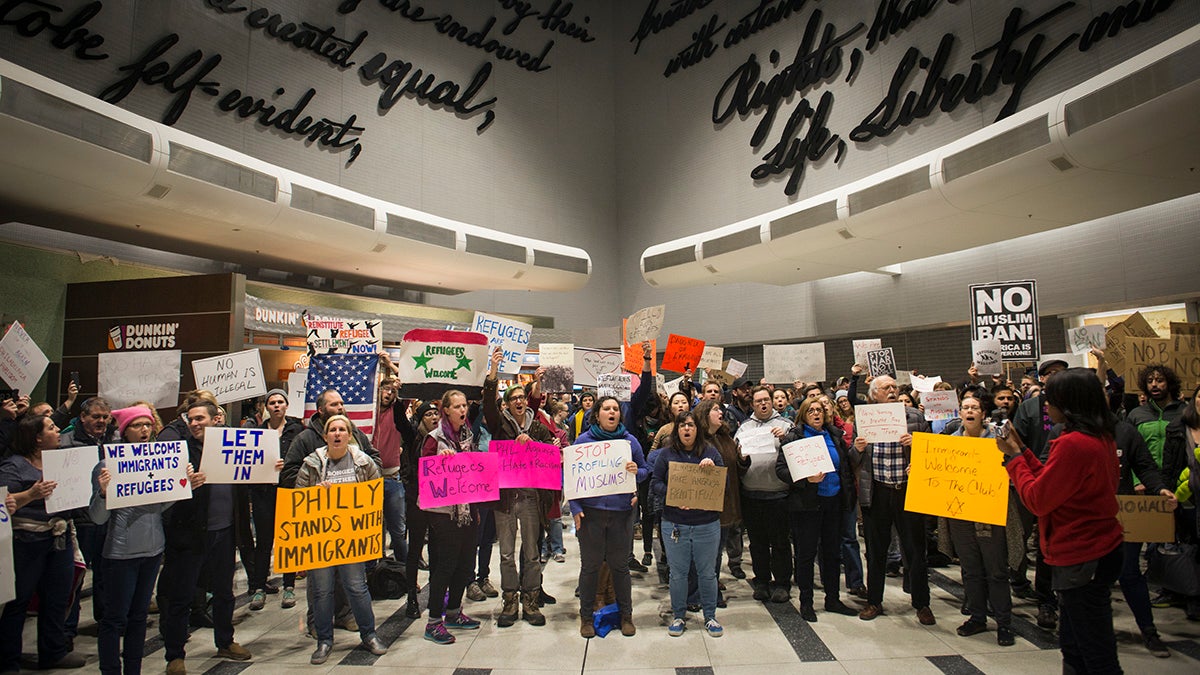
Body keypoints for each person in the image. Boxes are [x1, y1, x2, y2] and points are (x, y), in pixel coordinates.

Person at [998, 368, 1126, 674]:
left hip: (1082, 554)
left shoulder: (1074, 444)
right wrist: (1024, 452)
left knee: (1094, 650)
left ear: (1068, 403)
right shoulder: (1096, 436)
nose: (1045, 405)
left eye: (1050, 399)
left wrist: (1014, 459)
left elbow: (1038, 500)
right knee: (1074, 641)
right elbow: (1054, 481)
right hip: (1093, 549)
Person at [90, 406, 199, 675]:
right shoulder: (106, 465)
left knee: (139, 617)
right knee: (115, 619)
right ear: (125, 430)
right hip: (120, 553)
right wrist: (103, 494)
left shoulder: (158, 460)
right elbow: (97, 518)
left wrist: (184, 486)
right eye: (137, 425)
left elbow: (160, 506)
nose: (144, 430)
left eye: (148, 425)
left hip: (152, 551)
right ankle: (111, 670)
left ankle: (134, 669)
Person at [160, 400, 252, 675]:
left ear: (216, 420)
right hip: (190, 535)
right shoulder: (181, 451)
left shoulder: (232, 445)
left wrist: (268, 465)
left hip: (224, 532)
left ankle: (225, 641)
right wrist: (185, 484)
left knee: (225, 591)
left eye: (200, 418)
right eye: (191, 419)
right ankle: (175, 654)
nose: (195, 423)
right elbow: (165, 492)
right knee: (182, 595)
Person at [295, 414, 388, 664]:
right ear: (325, 436)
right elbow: (298, 497)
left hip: (351, 538)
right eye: (332, 430)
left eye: (342, 430)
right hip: (321, 539)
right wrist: (314, 493)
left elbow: (376, 492)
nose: (337, 434)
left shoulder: (362, 461)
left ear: (349, 435)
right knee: (322, 591)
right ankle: (324, 640)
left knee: (356, 587)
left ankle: (369, 634)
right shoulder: (312, 463)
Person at [0, 414, 87, 671]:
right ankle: (8, 660)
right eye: (51, 428)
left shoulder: (63, 461)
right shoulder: (13, 466)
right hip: (26, 542)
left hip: (58, 540)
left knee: (57, 599)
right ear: (37, 437)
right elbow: (4, 503)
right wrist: (30, 494)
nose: (58, 430)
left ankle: (53, 652)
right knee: (18, 603)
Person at [481, 349, 559, 627]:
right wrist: (494, 368)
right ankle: (510, 599)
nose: (519, 401)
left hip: (529, 497)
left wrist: (549, 447)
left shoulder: (538, 428)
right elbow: (488, 405)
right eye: (513, 398)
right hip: (504, 497)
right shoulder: (499, 424)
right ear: (506, 404)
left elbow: (551, 454)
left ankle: (531, 599)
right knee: (505, 553)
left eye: (522, 398)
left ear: (527, 402)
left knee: (531, 552)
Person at [848, 374, 935, 624]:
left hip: (906, 492)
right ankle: (874, 601)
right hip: (877, 492)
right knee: (876, 552)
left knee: (916, 551)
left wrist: (916, 446)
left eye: (895, 387)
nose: (892, 390)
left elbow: (929, 456)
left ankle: (922, 604)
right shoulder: (865, 420)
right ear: (874, 394)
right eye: (886, 387)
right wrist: (858, 448)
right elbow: (853, 459)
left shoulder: (915, 418)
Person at [572, 395, 648, 638]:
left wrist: (638, 473)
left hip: (621, 514)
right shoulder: (583, 441)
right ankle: (586, 618)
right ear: (598, 414)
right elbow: (572, 477)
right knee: (590, 567)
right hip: (591, 515)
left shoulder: (629, 441)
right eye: (607, 408)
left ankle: (626, 615)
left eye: (615, 408)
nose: (612, 412)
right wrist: (575, 508)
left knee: (620, 568)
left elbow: (646, 469)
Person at [775, 397, 858, 621]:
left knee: (832, 554)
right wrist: (805, 479)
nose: (816, 414)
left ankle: (833, 599)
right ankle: (806, 602)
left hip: (833, 502)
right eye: (811, 410)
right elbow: (781, 470)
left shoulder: (834, 436)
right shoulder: (795, 437)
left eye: (819, 410)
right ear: (803, 414)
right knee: (806, 554)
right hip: (807, 504)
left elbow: (845, 466)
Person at [945, 395, 1015, 646]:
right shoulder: (951, 442)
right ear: (960, 413)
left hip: (989, 513)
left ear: (983, 413)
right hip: (961, 513)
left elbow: (1016, 462)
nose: (970, 411)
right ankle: (977, 616)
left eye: (974, 407)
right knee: (970, 568)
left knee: (996, 569)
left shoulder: (998, 440)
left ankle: (1004, 622)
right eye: (965, 408)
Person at [651, 410, 725, 638]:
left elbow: (724, 483)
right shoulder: (665, 455)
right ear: (677, 430)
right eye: (682, 425)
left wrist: (712, 470)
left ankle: (710, 616)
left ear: (697, 429)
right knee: (678, 574)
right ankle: (679, 615)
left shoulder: (711, 452)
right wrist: (674, 494)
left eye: (691, 425)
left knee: (707, 573)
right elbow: (655, 483)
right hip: (675, 523)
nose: (686, 429)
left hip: (706, 524)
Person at [420, 389, 485, 645]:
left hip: (467, 509)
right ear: (445, 410)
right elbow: (423, 469)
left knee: (466, 564)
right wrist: (439, 460)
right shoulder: (434, 438)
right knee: (445, 566)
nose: (462, 410)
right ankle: (434, 622)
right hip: (443, 513)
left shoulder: (468, 435)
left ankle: (454, 612)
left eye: (464, 406)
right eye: (456, 406)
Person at [733, 386, 793, 603]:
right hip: (752, 495)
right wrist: (739, 456)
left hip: (779, 495)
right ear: (753, 405)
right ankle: (761, 581)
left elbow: (797, 454)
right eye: (758, 401)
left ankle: (782, 583)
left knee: (780, 543)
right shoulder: (745, 428)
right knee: (757, 543)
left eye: (766, 400)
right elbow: (737, 460)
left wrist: (787, 438)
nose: (763, 404)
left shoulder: (786, 426)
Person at [245, 389, 302, 611]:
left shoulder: (296, 429)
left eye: (280, 402)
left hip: (287, 491)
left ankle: (288, 584)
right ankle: (259, 586)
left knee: (288, 540)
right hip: (263, 493)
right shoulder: (258, 432)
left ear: (286, 405)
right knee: (264, 542)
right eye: (272, 402)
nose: (276, 405)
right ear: (266, 407)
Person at [398, 399, 440, 618]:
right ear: (420, 418)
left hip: (437, 501)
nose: (434, 417)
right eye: (428, 414)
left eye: (436, 413)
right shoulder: (413, 437)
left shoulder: (444, 438)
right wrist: (403, 392)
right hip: (416, 500)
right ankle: (411, 598)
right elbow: (399, 417)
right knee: (414, 549)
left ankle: (435, 594)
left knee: (436, 548)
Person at [1162, 382, 1200, 621]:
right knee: (1190, 548)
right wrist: (1166, 489)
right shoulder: (1178, 427)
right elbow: (1169, 465)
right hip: (1186, 499)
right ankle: (1192, 597)